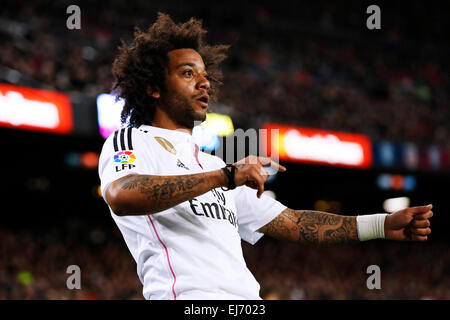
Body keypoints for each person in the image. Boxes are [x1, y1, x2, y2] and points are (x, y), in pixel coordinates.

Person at [98, 13, 433, 300]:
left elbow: (293, 222)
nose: (204, 85)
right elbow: (122, 195)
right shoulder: (132, 140)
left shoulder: (213, 163)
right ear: (153, 87)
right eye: (188, 74)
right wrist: (227, 177)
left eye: (205, 76)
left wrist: (381, 224)